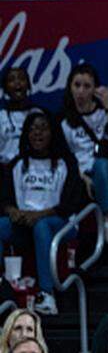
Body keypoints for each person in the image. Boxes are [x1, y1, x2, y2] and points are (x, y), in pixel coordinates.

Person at [0, 112, 86, 315]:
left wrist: (38, 215)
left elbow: (68, 205)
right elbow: (5, 200)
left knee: (42, 226)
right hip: (24, 223)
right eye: (33, 128)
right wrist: (13, 211)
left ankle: (47, 294)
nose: (37, 133)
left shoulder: (66, 163)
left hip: (60, 224)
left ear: (53, 132)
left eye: (43, 128)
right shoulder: (17, 164)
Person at [57, 63, 108, 245]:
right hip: (78, 176)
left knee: (101, 165)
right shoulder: (62, 119)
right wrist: (81, 176)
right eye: (77, 85)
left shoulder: (104, 113)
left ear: (95, 89)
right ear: (70, 87)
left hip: (106, 173)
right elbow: (63, 156)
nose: (81, 91)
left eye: (87, 86)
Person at [0, 67, 45, 167]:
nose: (17, 83)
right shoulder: (1, 117)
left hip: (34, 169)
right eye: (12, 80)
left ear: (28, 85)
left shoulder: (38, 114)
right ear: (5, 88)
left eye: (21, 78)